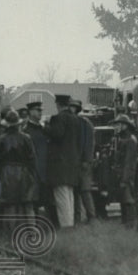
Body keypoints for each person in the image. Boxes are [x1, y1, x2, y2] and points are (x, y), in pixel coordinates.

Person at [0, 110, 38, 233]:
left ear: (6, 124)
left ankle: (11, 232)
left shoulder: (1, 139)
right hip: (24, 173)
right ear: (18, 124)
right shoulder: (26, 138)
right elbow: (32, 158)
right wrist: (33, 175)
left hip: (6, 174)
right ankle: (32, 232)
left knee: (10, 204)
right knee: (28, 204)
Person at [46, 94, 80, 228]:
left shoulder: (58, 118)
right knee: (69, 196)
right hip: (72, 163)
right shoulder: (76, 119)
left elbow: (57, 134)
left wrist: (45, 127)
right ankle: (70, 225)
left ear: (58, 104)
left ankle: (66, 226)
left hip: (59, 164)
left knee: (61, 198)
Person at [21, 102, 52, 224]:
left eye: (41, 110)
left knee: (45, 199)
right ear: (30, 112)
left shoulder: (44, 129)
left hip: (45, 168)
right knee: (33, 200)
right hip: (32, 169)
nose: (40, 112)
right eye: (37, 110)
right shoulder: (25, 130)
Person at [70, 99, 96, 224]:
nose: (72, 109)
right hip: (74, 162)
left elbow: (90, 144)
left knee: (85, 190)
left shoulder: (85, 123)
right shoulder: (72, 123)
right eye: (71, 107)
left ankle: (91, 217)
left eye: (74, 107)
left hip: (83, 162)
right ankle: (77, 218)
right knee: (75, 191)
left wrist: (86, 160)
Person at [111, 114, 138, 227]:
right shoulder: (122, 139)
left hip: (126, 175)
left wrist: (125, 179)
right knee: (123, 199)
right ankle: (125, 222)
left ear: (125, 126)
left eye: (118, 124)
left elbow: (129, 162)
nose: (116, 127)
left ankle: (130, 222)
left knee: (128, 199)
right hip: (121, 174)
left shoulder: (130, 140)